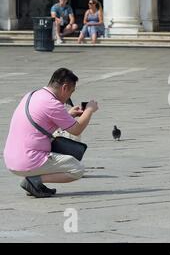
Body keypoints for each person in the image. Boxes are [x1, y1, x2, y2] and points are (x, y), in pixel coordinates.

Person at [3, 68, 99, 198]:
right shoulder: (53, 104)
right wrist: (89, 110)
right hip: (28, 160)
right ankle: (34, 180)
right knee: (77, 169)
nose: (69, 97)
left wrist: (68, 114)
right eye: (71, 92)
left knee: (67, 132)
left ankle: (35, 182)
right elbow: (77, 129)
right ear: (65, 88)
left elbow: (42, 120)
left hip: (11, 157)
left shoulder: (32, 94)